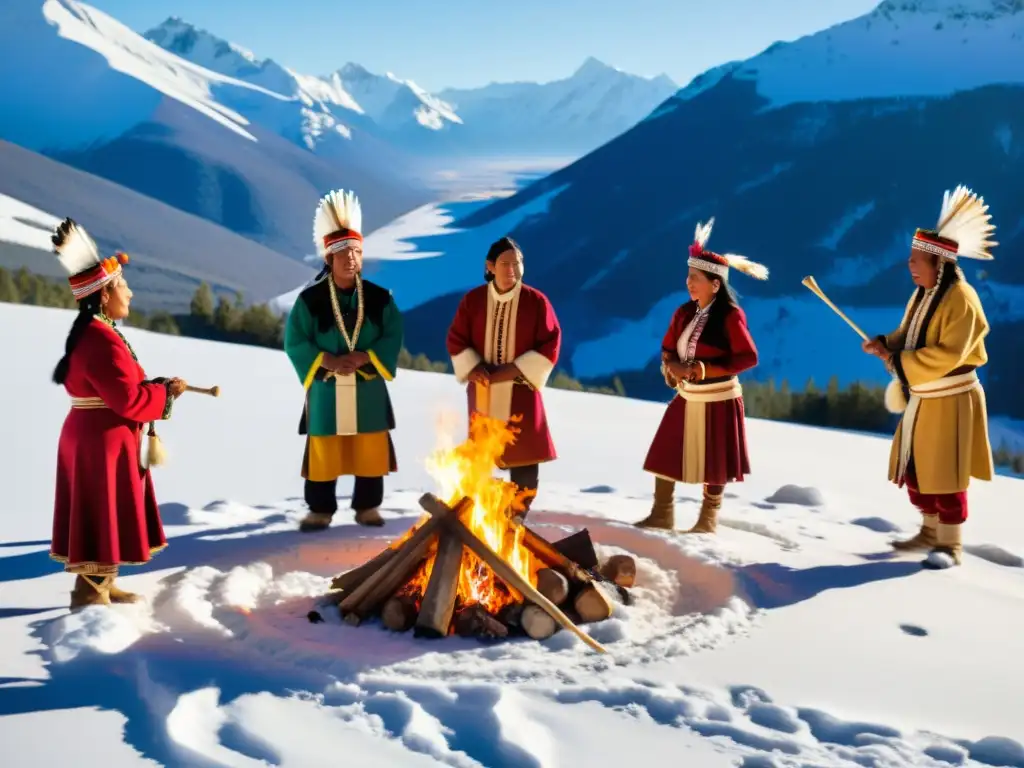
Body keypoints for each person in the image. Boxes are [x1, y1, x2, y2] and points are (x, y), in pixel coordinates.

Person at [49, 218, 187, 610]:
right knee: (101, 507)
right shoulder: (100, 339)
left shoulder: (96, 331)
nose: (129, 292)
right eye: (123, 285)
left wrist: (156, 386)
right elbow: (127, 399)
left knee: (104, 506)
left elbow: (119, 388)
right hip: (101, 441)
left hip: (97, 435)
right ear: (106, 294)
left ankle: (104, 582)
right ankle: (90, 593)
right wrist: (162, 393)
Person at [862, 185, 995, 569]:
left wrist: (897, 359)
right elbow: (911, 336)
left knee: (946, 473)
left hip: (951, 398)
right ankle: (930, 532)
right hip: (923, 397)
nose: (910, 264)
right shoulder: (922, 295)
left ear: (941, 264)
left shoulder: (962, 299)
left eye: (918, 259)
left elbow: (948, 354)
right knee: (917, 468)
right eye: (911, 257)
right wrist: (886, 343)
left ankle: (950, 545)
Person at [635, 218, 766, 533]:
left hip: (719, 397)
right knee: (665, 449)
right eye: (688, 276)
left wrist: (698, 369)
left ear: (715, 284)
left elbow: (749, 357)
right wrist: (672, 366)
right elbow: (667, 348)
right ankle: (662, 513)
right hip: (688, 394)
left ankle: (708, 520)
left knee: (715, 459)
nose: (688, 283)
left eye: (695, 278)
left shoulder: (731, 317)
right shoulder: (683, 313)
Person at [285, 189, 404, 532]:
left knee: (370, 447)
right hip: (327, 387)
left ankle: (367, 506)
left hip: (367, 386)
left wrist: (365, 355)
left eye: (356, 252)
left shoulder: (380, 299)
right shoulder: (309, 301)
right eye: (343, 253)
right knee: (325, 450)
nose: (351, 258)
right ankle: (320, 508)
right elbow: (295, 341)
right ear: (329, 258)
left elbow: (392, 335)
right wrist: (326, 360)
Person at [446, 236, 561, 520]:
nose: (512, 269)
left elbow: (550, 343)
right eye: (505, 263)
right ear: (490, 266)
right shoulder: (473, 301)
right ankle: (479, 509)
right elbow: (456, 339)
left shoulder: (536, 302)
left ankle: (518, 512)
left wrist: (513, 370)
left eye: (517, 263)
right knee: (480, 454)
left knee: (524, 455)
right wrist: (473, 368)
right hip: (483, 391)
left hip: (520, 392)